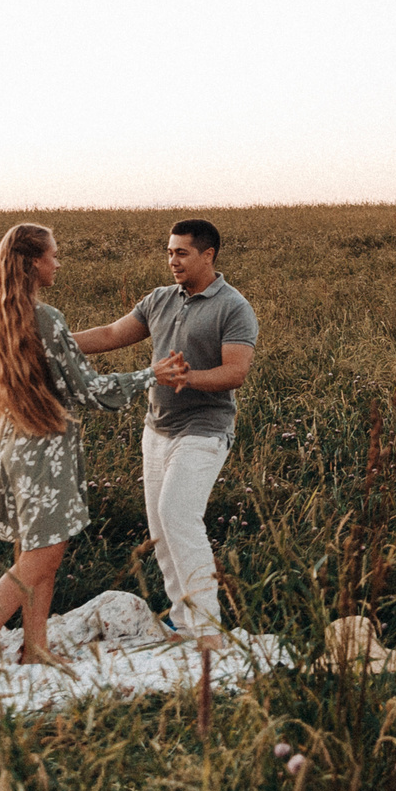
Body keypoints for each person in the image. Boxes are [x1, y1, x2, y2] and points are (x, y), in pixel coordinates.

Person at [0, 222, 182, 666]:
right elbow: (90, 391)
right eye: (52, 256)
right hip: (44, 452)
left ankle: (35, 648)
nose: (57, 263)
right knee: (41, 559)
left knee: (35, 552)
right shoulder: (45, 318)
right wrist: (150, 376)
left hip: (13, 445)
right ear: (32, 263)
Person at [75, 218, 257, 640]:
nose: (172, 261)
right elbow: (110, 334)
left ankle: (208, 627)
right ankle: (183, 618)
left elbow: (236, 372)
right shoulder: (158, 300)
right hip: (157, 430)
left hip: (204, 429)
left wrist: (185, 378)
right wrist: (49, 339)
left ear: (208, 255)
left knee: (179, 515)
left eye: (182, 253)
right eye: (169, 252)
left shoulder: (233, 307)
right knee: (160, 530)